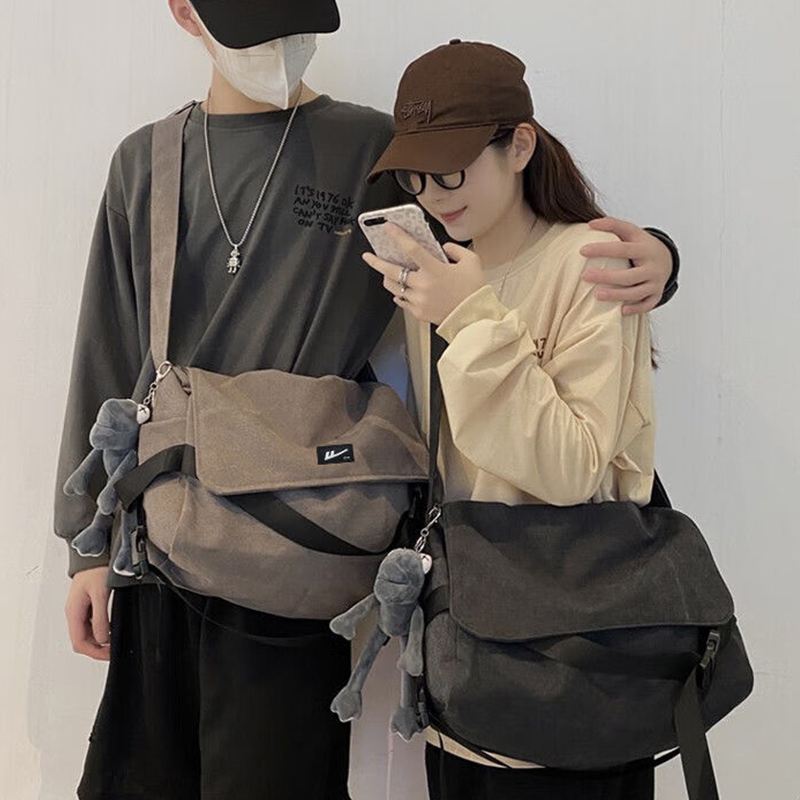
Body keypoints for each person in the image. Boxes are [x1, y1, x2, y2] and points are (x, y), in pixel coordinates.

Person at [54, 4, 679, 797]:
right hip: (161, 534)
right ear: (186, 13)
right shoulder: (149, 161)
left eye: (298, 24)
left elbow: (511, 232)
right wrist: (85, 543)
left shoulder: (374, 154)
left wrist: (657, 258)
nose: (281, 47)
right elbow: (107, 346)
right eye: (256, 28)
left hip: (301, 545)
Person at [362, 39, 674, 800]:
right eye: (415, 177)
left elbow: (572, 469)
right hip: (468, 653)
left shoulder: (591, 262)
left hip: (575, 648)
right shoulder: (435, 275)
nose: (434, 195)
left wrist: (471, 318)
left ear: (521, 147)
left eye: (451, 171)